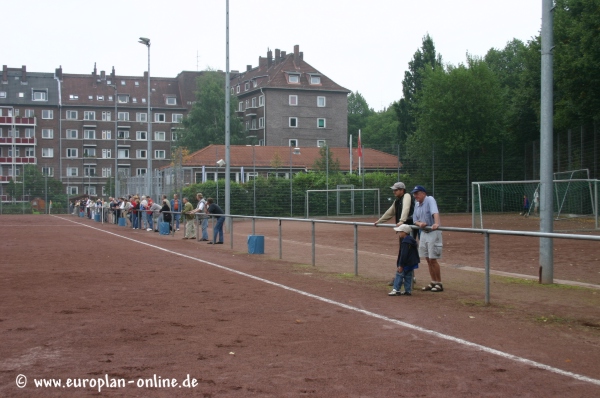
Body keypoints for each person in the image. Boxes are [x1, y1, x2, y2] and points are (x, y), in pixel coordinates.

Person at [375, 182, 415, 285]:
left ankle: (403, 277)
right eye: (393, 190)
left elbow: (406, 208)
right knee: (404, 252)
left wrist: (402, 220)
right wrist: (380, 221)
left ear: (402, 190)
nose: (394, 192)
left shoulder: (406, 196)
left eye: (396, 190)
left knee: (405, 253)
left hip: (408, 229)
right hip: (402, 229)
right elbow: (390, 211)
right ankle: (407, 276)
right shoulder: (397, 201)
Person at [411, 185, 444, 292]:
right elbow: (415, 220)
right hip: (424, 232)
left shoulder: (429, 199)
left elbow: (435, 212)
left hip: (433, 231)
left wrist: (436, 223)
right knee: (427, 258)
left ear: (423, 193)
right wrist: (420, 223)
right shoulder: (417, 204)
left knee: (433, 258)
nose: (415, 196)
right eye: (414, 194)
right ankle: (433, 281)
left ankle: (439, 283)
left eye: (417, 193)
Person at [388, 224, 420, 296]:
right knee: (408, 276)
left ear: (405, 232)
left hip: (406, 263)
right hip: (411, 262)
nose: (399, 233)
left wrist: (401, 265)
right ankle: (407, 290)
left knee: (399, 274)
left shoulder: (405, 242)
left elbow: (404, 254)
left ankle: (396, 289)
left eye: (400, 232)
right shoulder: (411, 240)